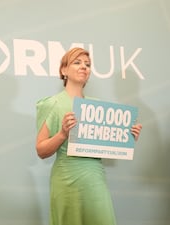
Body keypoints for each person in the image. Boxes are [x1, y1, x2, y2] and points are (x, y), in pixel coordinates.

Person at [35, 47, 142, 225]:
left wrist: (128, 137)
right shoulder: (52, 104)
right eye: (77, 62)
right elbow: (41, 150)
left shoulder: (99, 107)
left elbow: (110, 146)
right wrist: (62, 134)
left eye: (87, 64)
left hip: (95, 179)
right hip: (66, 181)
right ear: (64, 70)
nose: (84, 67)